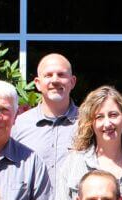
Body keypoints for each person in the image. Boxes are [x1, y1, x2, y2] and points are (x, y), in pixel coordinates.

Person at [11, 53, 78, 191]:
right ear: (37, 83)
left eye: (61, 75)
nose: (55, 80)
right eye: (48, 75)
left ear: (72, 82)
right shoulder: (19, 125)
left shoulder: (88, 123)